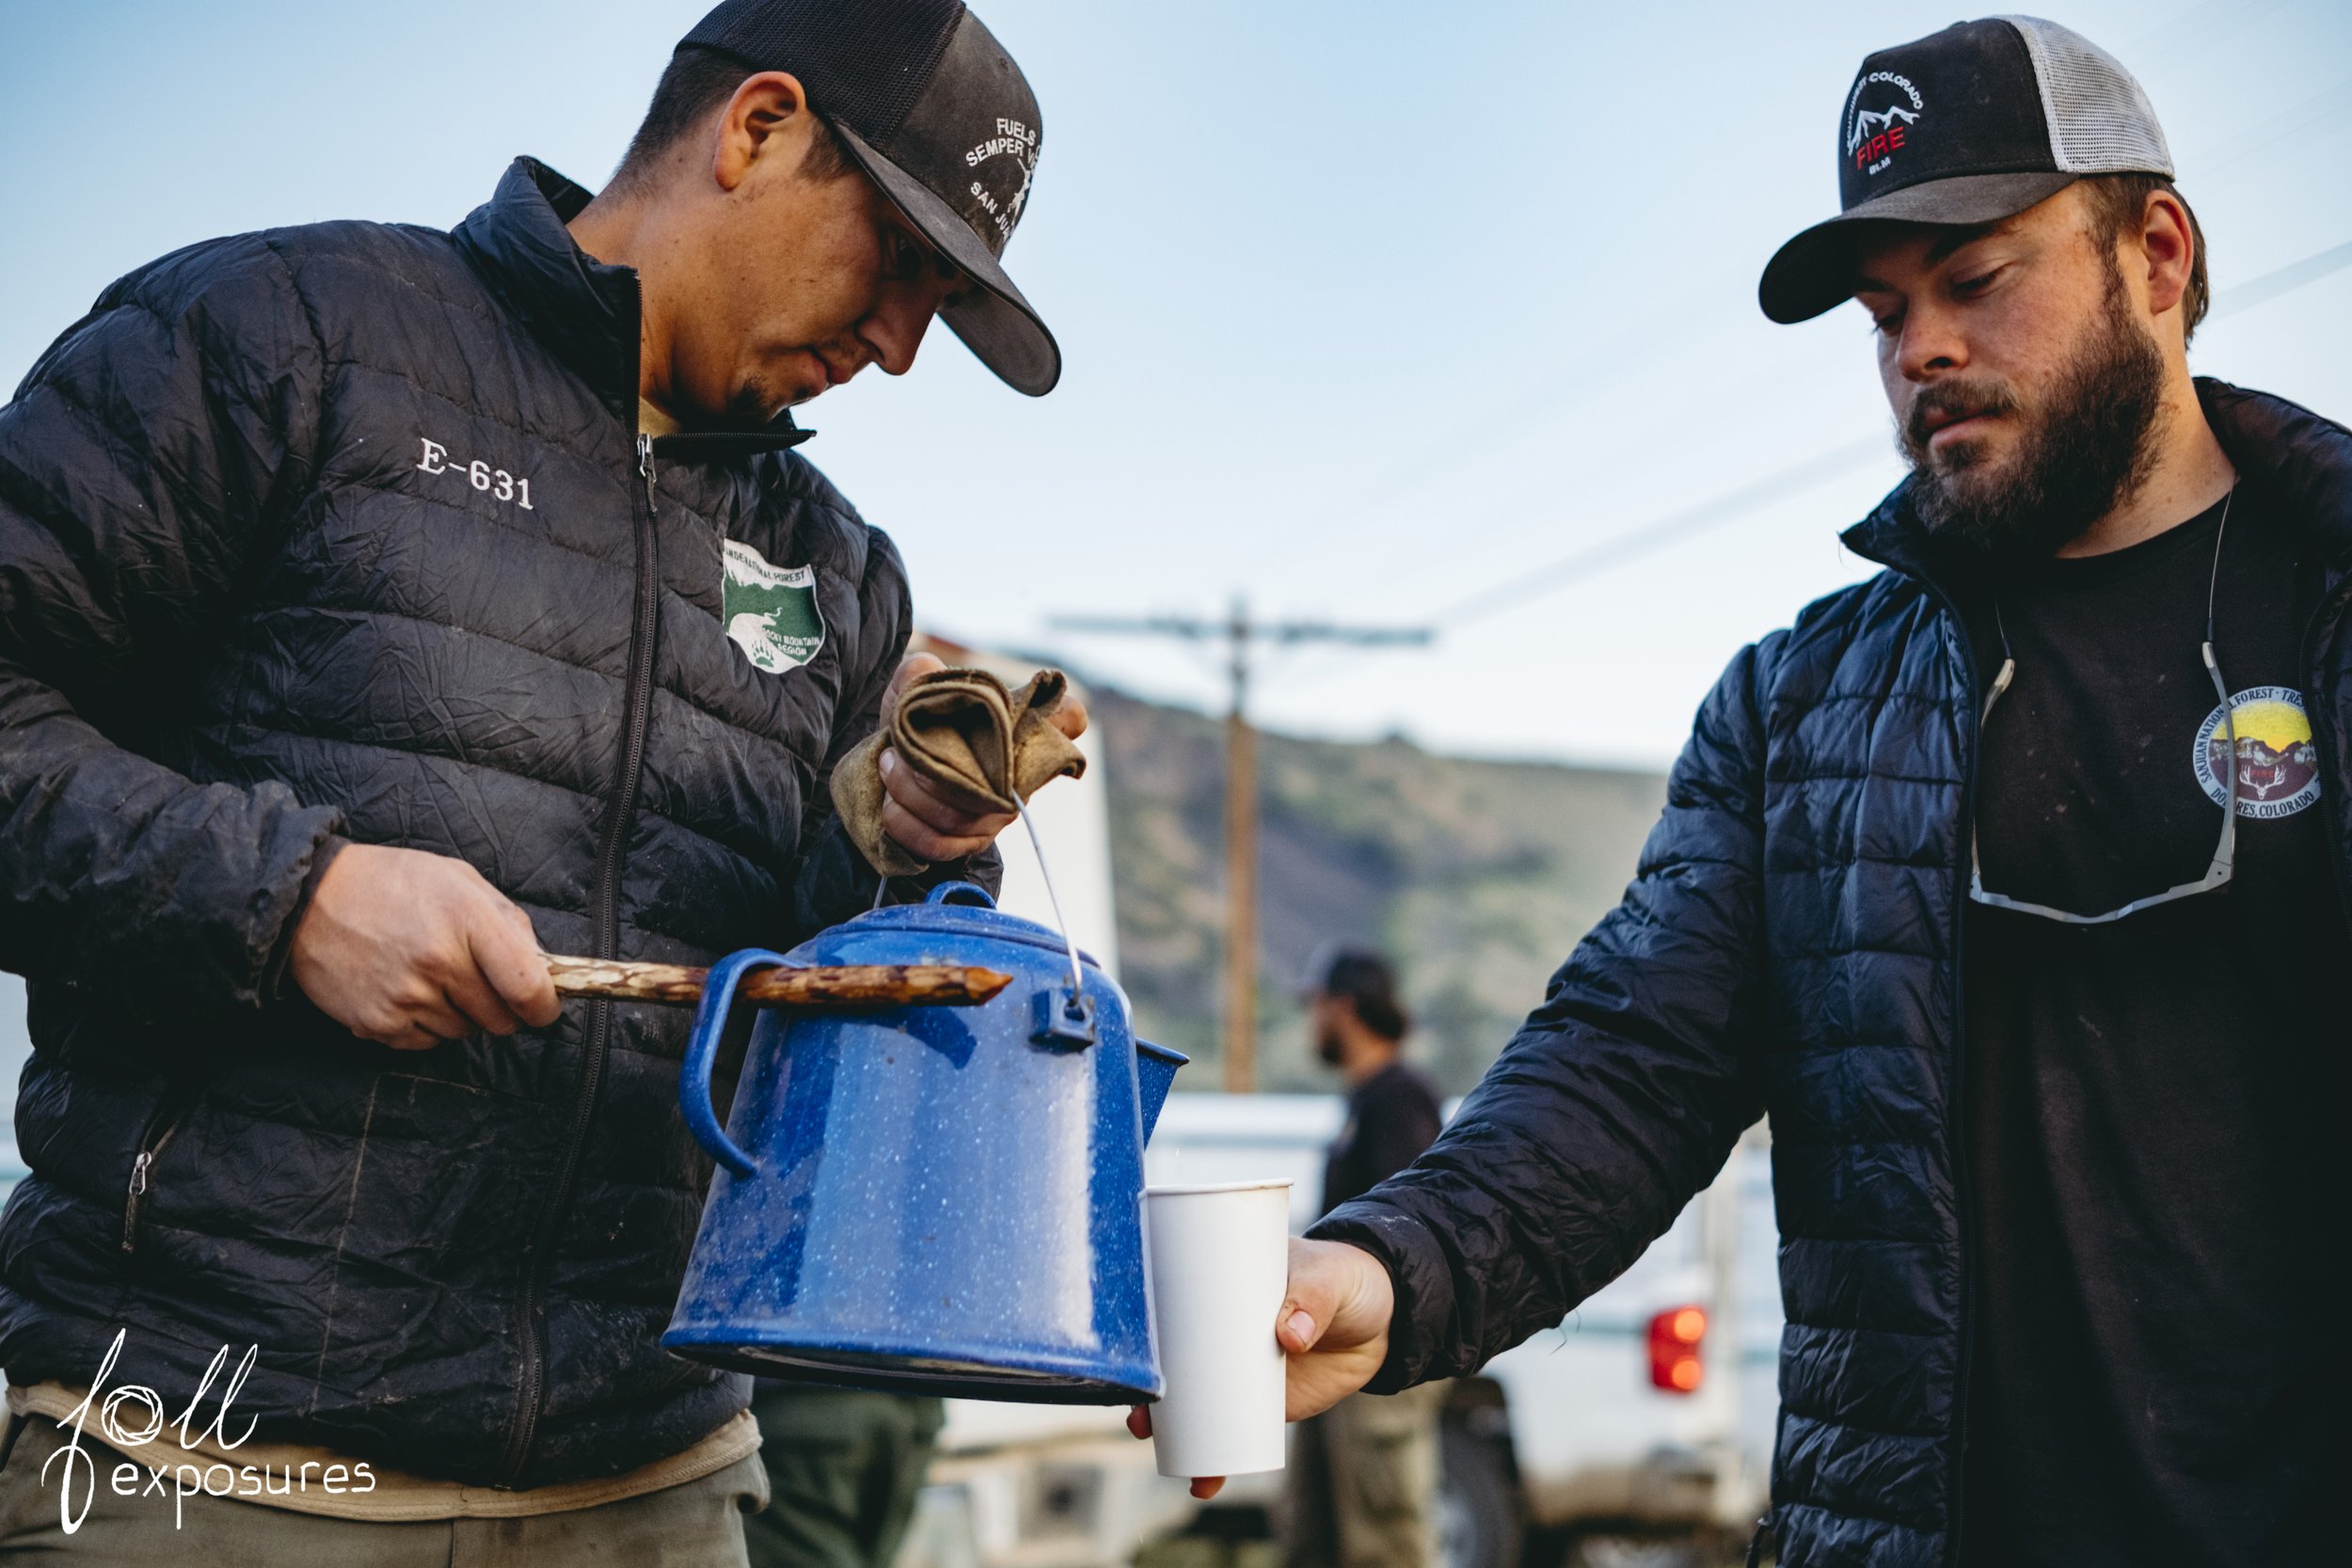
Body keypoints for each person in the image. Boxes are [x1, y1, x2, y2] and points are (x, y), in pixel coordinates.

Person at [1208, 18, 2349, 1568]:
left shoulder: (2331, 612)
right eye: (1886, 313)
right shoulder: (1807, 702)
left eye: (1975, 280)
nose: (1921, 350)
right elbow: (1628, 1062)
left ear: (2155, 252)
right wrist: (1393, 1263)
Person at [0, 0, 1073, 1560]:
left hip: (655, 1484)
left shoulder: (838, 567)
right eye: (898, 261)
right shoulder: (281, 333)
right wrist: (289, 897)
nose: (903, 346)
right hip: (203, 1460)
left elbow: (849, 1031)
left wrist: (908, 855)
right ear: (756, 127)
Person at [1282, 948, 1446, 1568]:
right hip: (1337, 1352)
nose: (1312, 1023)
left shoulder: (1401, 1098)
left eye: (1316, 1007)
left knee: (1385, 1533)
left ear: (1343, 1008)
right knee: (1315, 1530)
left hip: (1382, 1358)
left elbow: (1410, 1230)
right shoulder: (1366, 1099)